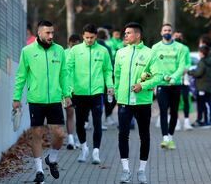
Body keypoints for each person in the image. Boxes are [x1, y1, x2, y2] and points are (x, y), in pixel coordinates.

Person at [12, 20, 71, 183]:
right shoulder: (27, 51)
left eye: (52, 32)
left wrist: (67, 94)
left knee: (59, 135)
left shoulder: (59, 51)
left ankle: (52, 159)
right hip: (36, 100)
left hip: (54, 100)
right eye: (48, 33)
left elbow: (64, 74)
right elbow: (21, 76)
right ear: (39, 33)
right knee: (36, 134)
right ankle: (39, 172)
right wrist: (16, 98)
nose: (51, 36)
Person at [114, 22, 162, 183]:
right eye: (125, 33)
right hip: (124, 101)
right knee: (123, 134)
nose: (125, 35)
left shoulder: (150, 54)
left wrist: (143, 85)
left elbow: (158, 76)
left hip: (142, 102)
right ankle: (125, 170)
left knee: (144, 135)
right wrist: (117, 93)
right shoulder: (120, 53)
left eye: (128, 33)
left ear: (137, 35)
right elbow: (117, 76)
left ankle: (142, 171)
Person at [66, 23, 114, 164]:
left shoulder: (103, 51)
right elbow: (68, 71)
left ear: (96, 36)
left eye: (92, 38)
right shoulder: (75, 51)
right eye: (86, 37)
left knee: (97, 121)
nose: (89, 40)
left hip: (97, 92)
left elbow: (107, 70)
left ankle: (96, 152)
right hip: (79, 92)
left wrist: (109, 86)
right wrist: (68, 89)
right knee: (80, 123)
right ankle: (84, 148)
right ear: (83, 36)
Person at [151, 23, 186, 150]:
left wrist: (173, 78)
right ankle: (165, 138)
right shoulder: (155, 47)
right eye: (165, 30)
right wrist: (164, 77)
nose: (167, 32)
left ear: (172, 32)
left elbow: (182, 66)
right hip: (162, 84)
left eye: (169, 30)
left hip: (175, 84)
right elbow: (153, 66)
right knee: (163, 110)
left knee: (175, 112)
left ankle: (170, 136)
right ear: (161, 32)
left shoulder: (180, 48)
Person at [188, 45, 211, 127]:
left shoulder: (202, 62)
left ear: (202, 53)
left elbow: (198, 73)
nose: (198, 53)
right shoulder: (209, 61)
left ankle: (206, 122)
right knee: (202, 104)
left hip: (202, 87)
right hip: (205, 86)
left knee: (203, 105)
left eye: (199, 52)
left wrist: (190, 72)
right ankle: (201, 120)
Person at [173, 31, 193, 130]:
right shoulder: (171, 48)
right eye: (176, 36)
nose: (178, 37)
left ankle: (186, 121)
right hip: (174, 79)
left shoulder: (186, 48)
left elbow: (189, 62)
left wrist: (186, 68)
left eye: (180, 36)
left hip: (184, 79)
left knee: (185, 100)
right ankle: (175, 122)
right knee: (175, 101)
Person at [64, 34, 81, 149]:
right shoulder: (63, 53)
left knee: (80, 115)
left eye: (77, 45)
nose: (75, 47)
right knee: (69, 113)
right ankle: (70, 139)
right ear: (69, 44)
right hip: (67, 89)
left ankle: (78, 138)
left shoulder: (82, 53)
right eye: (73, 44)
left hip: (80, 89)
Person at [197, 34, 211, 127]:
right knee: (203, 102)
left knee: (207, 103)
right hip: (203, 83)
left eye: (200, 43)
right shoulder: (206, 53)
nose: (199, 44)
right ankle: (201, 119)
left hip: (208, 83)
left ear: (204, 43)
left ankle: (209, 120)